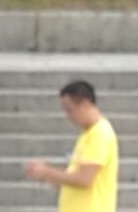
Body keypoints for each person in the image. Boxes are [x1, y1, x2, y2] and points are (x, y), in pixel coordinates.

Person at [24, 79, 118, 210]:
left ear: (85, 105)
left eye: (70, 110)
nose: (68, 116)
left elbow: (84, 179)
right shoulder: (87, 134)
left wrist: (47, 171)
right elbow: (73, 178)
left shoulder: (100, 133)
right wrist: (45, 175)